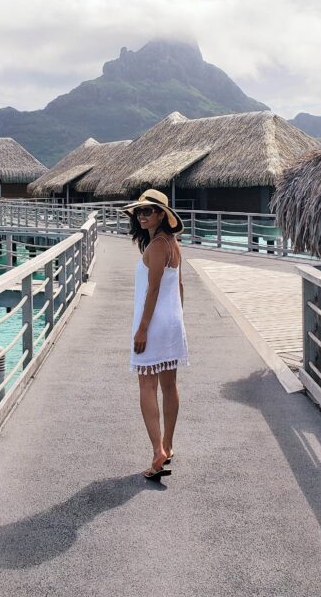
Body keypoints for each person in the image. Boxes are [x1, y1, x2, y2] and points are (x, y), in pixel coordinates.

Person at [123, 189, 188, 480]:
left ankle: (158, 452)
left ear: (163, 214)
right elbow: (179, 287)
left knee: (147, 386)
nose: (142, 215)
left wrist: (143, 328)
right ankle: (168, 446)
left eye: (148, 211)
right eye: (140, 211)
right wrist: (178, 320)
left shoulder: (160, 244)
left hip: (155, 323)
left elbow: (154, 288)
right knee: (169, 384)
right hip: (171, 322)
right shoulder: (173, 243)